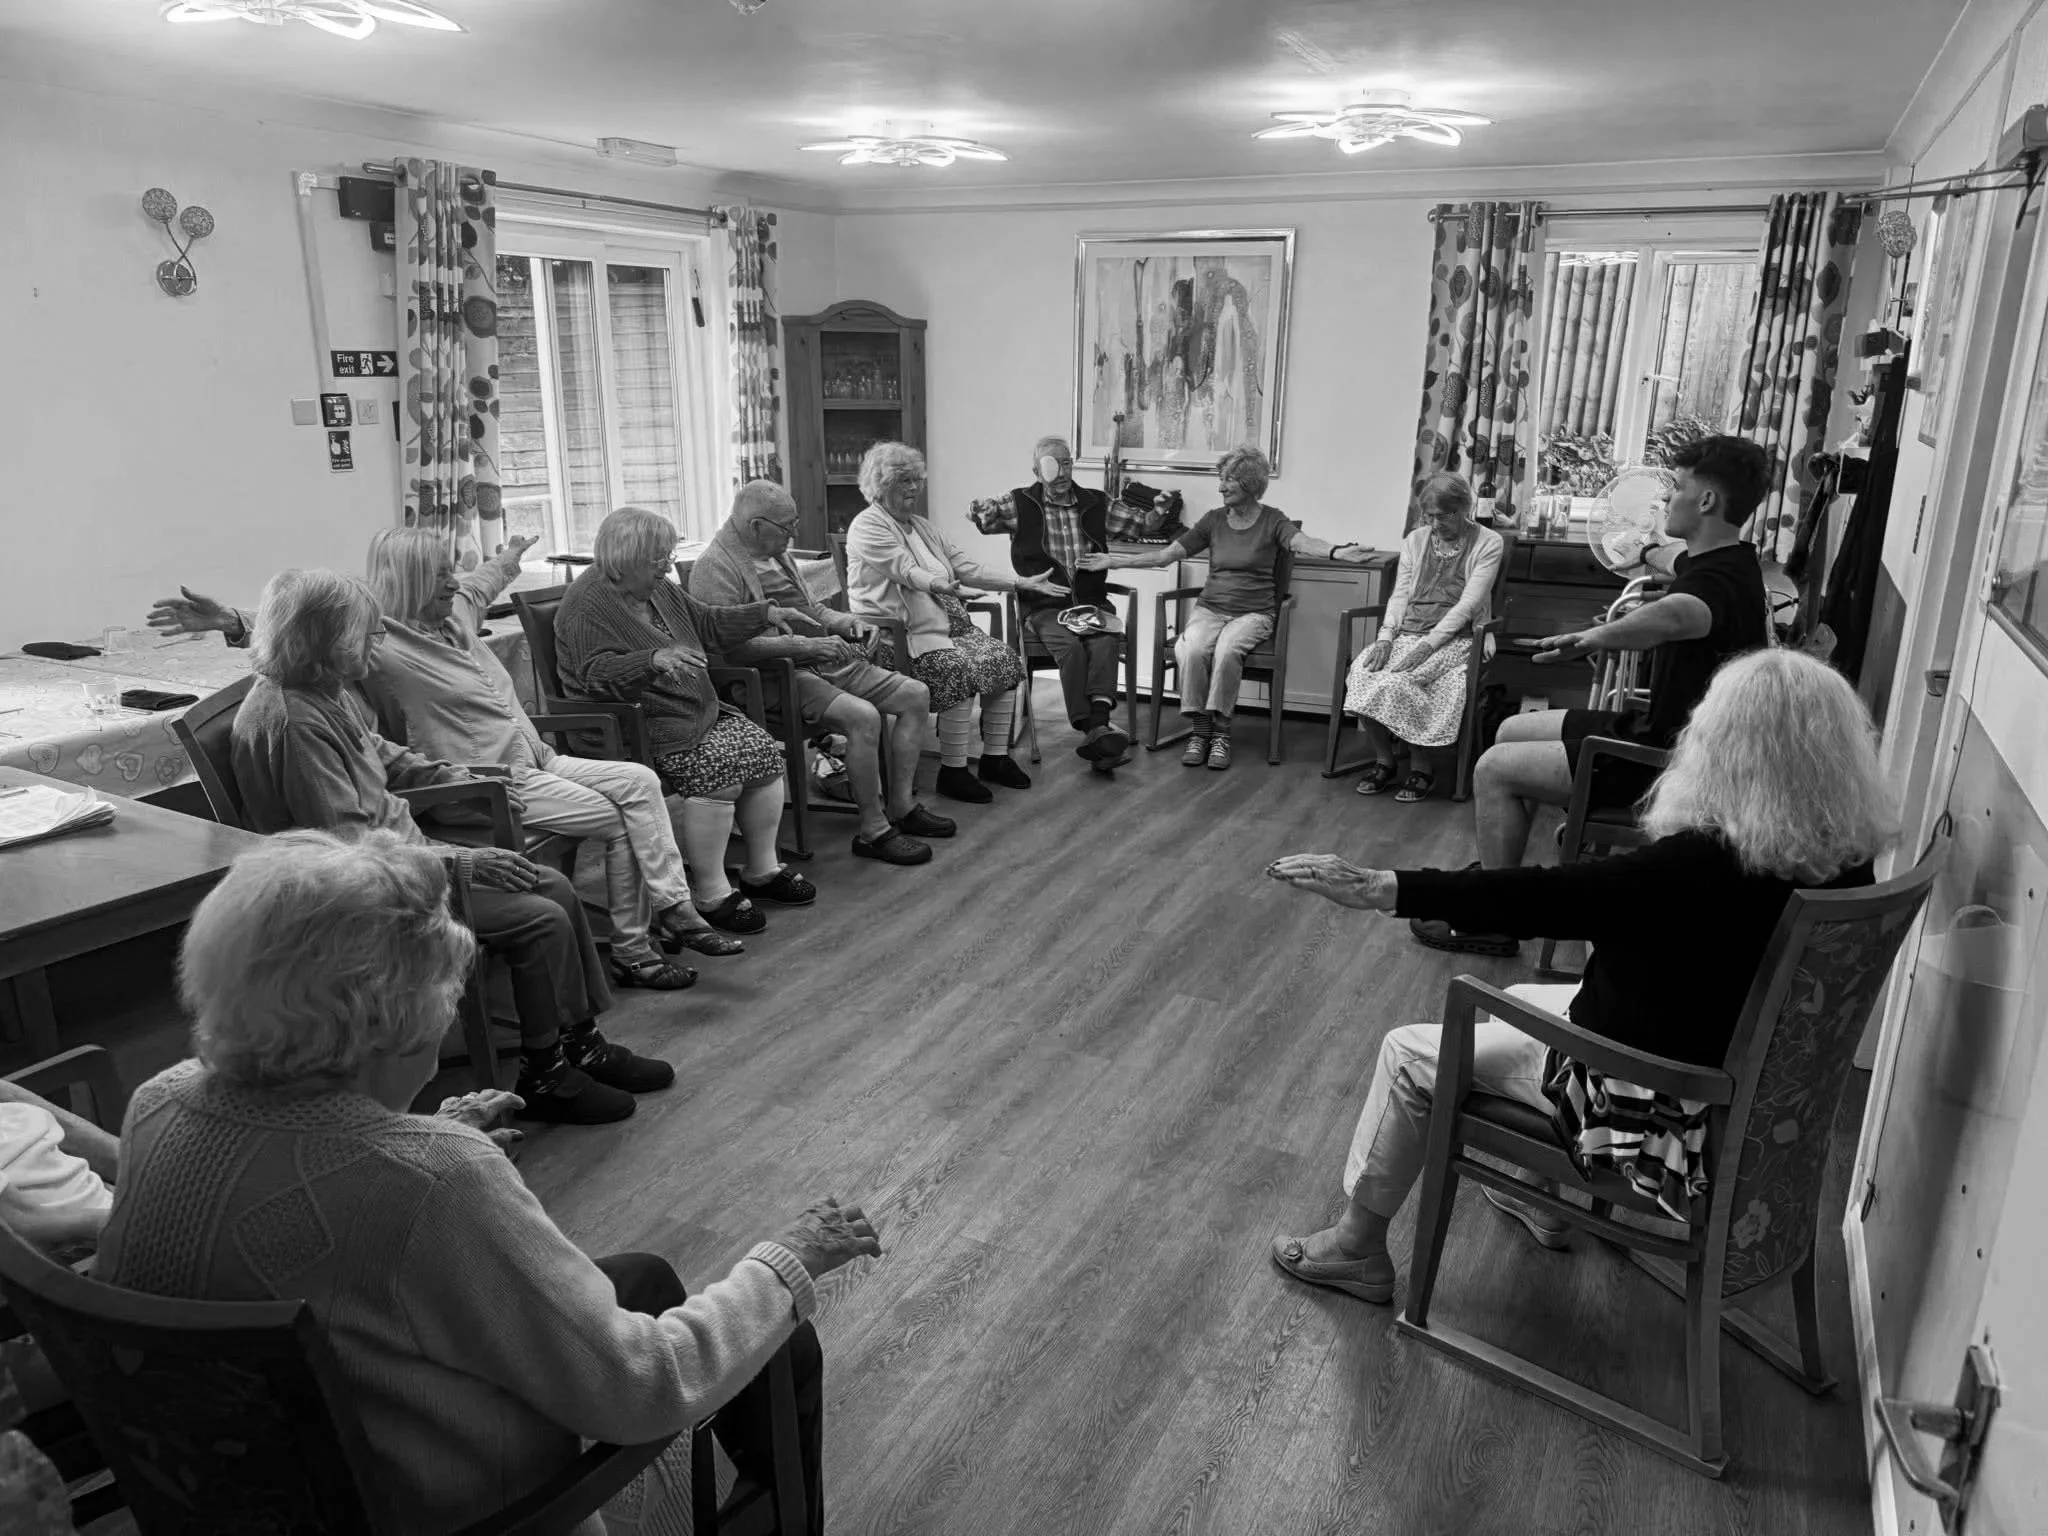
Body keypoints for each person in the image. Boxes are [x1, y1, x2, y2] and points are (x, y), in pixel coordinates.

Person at [92, 830, 881, 1534]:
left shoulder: (159, 1103)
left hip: (229, 1487)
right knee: (778, 1334)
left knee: (641, 1277)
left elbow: (303, 1213)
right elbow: (647, 1388)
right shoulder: (430, 1182)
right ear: (386, 1023)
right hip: (448, 1508)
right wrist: (790, 1261)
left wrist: (428, 1138)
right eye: (443, 999)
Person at [1265, 649, 1894, 1303]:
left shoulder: (1693, 869)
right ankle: (1538, 1197)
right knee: (1516, 996)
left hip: (1656, 1123)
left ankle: (1356, 1247)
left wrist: (1381, 887)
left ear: (1722, 746)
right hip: (1748, 1096)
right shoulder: (1845, 862)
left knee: (1409, 1054)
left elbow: (1539, 895)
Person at [230, 567, 671, 1125]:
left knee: (555, 885)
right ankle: (546, 1072)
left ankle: (579, 1042)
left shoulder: (322, 691)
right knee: (539, 916)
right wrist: (463, 860)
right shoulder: (295, 721)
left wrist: (462, 773)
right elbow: (349, 846)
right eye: (368, 635)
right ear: (329, 641)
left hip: (404, 854)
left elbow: (388, 758)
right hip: (365, 887)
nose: (379, 644)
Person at [1413, 433, 1773, 957]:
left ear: (1707, 501)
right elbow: (1678, 564)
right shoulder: (1731, 560)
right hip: (1661, 734)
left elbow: (1681, 613)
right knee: (1509, 729)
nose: (1665, 499)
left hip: (1671, 765)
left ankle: (1496, 918)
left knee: (1492, 769)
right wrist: (1646, 550)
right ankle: (1502, 866)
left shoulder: (1712, 589)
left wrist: (1592, 637)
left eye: (1675, 489)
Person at [362, 525, 735, 980]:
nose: (454, 582)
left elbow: (481, 581)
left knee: (640, 779)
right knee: (624, 820)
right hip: (487, 782)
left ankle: (672, 908)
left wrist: (510, 557)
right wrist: (247, 628)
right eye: (440, 575)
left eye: (451, 572)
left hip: (535, 755)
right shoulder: (378, 647)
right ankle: (636, 949)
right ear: (409, 580)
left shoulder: (454, 612)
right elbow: (307, 628)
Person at [554, 507, 822, 936]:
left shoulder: (657, 589)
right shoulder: (587, 604)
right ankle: (712, 893)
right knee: (720, 773)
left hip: (692, 710)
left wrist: (764, 614)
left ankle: (762, 870)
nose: (666, 566)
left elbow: (705, 622)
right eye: (657, 558)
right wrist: (652, 660)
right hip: (633, 724)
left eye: (668, 555)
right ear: (624, 557)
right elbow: (595, 674)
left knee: (761, 752)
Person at [690, 481, 954, 864]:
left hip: (823, 661)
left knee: (916, 695)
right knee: (863, 718)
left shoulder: (776, 553)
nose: (794, 534)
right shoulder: (715, 567)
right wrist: (807, 646)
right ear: (755, 526)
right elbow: (728, 650)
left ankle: (902, 807)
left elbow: (813, 610)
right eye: (787, 527)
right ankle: (873, 830)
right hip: (773, 677)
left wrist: (846, 622)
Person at [1082, 445, 1372, 770]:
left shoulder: (1274, 520)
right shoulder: (1213, 520)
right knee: (1190, 649)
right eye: (1221, 480)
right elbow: (1166, 556)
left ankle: (1221, 732)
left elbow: (1302, 543)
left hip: (1255, 613)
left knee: (1227, 650)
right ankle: (1200, 729)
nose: (1220, 487)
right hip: (1211, 608)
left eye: (1228, 481)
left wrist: (1336, 552)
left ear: (1248, 484)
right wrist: (1115, 562)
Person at [845, 442, 1065, 805]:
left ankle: (995, 758)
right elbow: (904, 569)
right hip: (898, 635)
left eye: (917, 479)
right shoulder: (866, 526)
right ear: (880, 485)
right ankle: (954, 770)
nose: (915, 488)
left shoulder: (921, 526)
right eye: (904, 481)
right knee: (956, 668)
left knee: (1003, 659)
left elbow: (967, 567)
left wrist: (1019, 582)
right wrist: (939, 585)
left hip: (943, 622)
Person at [966, 436, 1168, 773]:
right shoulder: (1021, 503)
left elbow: (1141, 524)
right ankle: (1093, 729)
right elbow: (985, 518)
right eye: (1052, 465)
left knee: (1104, 641)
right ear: (1037, 470)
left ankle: (1099, 729)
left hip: (1090, 602)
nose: (1061, 472)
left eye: (1067, 463)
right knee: (1071, 647)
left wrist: (1160, 510)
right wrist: (978, 509)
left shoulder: (1094, 502)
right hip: (1044, 606)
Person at [1342, 473, 1505, 803]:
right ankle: (1385, 760)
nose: (1434, 524)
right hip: (1407, 633)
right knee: (1362, 673)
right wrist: (1386, 638)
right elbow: (1400, 594)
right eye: (1429, 516)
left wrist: (1428, 644)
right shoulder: (1416, 540)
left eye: (1442, 516)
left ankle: (1421, 769)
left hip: (1456, 639)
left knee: (1401, 681)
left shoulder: (1489, 542)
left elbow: (1469, 604)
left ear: (1463, 509)